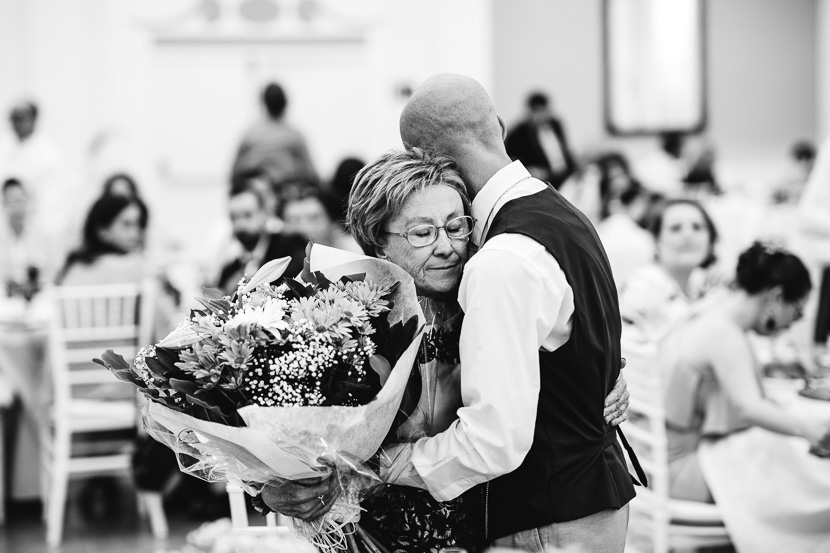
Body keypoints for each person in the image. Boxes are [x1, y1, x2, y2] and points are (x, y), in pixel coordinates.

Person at [260, 145, 632, 552]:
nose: (447, 246)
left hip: (490, 529)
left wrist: (606, 380)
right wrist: (276, 487)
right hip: (375, 535)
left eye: (456, 227)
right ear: (376, 240)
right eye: (423, 233)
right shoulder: (342, 321)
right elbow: (282, 431)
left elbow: (565, 352)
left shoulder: (488, 296)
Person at [661, 242, 830, 552]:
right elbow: (749, 407)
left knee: (795, 459)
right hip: (685, 470)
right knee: (814, 480)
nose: (794, 322)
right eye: (798, 310)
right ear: (776, 297)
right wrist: (811, 431)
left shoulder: (710, 310)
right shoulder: (724, 334)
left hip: (667, 459)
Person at [618, 198, 720, 342]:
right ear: (656, 239)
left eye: (697, 227)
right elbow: (624, 348)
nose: (688, 235)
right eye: (675, 228)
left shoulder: (705, 283)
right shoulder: (643, 284)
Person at [213, 182, 307, 294]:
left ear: (265, 213)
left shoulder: (291, 247)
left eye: (247, 215)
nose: (240, 224)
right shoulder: (230, 270)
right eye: (233, 218)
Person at [230, 82, 319, 190]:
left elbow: (234, 174)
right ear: (285, 103)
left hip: (257, 191)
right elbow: (313, 175)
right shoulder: (294, 136)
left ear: (264, 103)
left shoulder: (250, 135)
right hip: (287, 192)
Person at [55, 194, 149, 286]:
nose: (135, 234)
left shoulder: (74, 266)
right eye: (126, 225)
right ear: (103, 231)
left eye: (139, 224)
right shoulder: (131, 265)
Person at [504, 91, 576, 189]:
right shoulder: (518, 134)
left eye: (543, 110)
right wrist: (529, 170)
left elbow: (565, 150)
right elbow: (510, 159)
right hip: (541, 182)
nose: (540, 115)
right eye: (537, 111)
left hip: (565, 176)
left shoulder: (556, 125)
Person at [280, 186, 361, 253]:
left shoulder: (354, 251)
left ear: (332, 221)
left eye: (313, 218)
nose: (303, 228)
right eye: (292, 221)